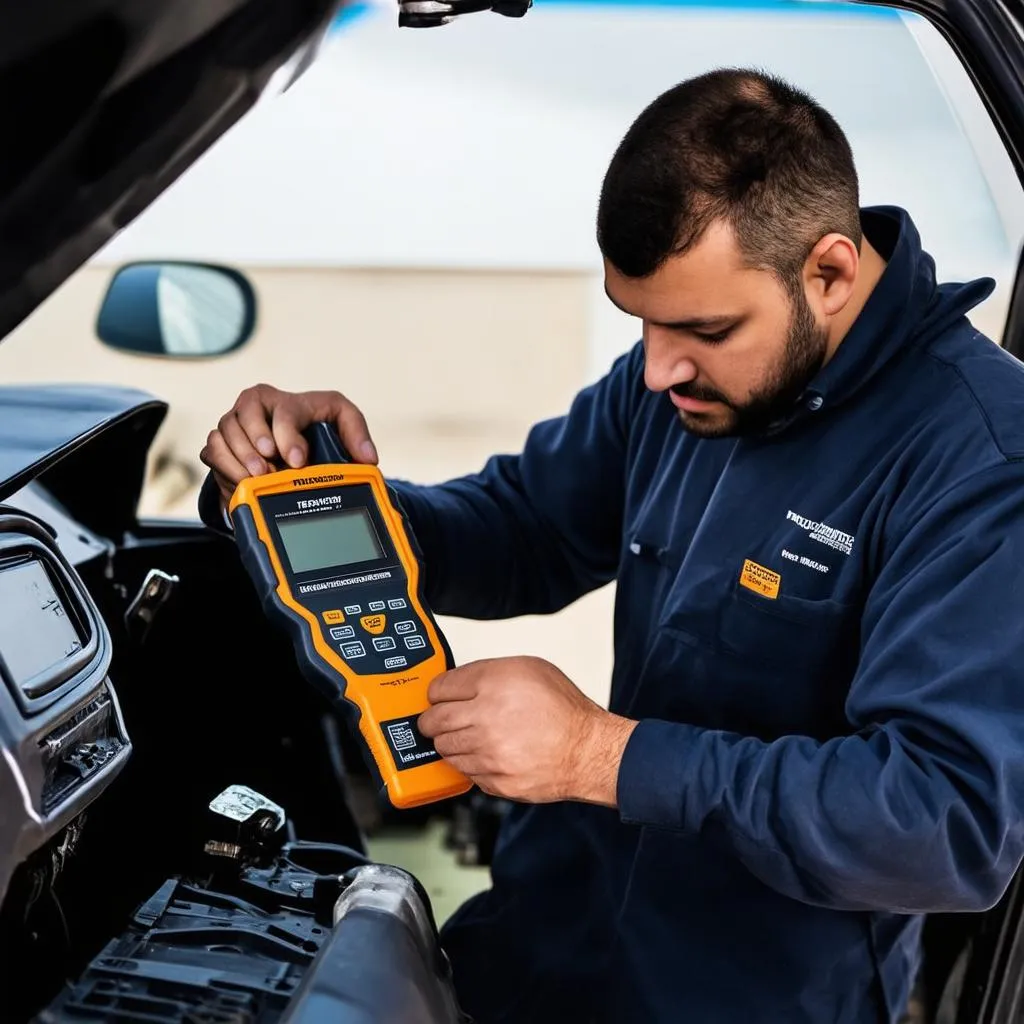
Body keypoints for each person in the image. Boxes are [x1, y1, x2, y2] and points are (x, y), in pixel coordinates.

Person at [197, 68, 1024, 1023]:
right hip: (534, 947)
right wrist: (311, 499)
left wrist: (600, 755)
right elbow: (525, 527)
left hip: (740, 999)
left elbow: (945, 822)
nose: (659, 365)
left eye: (702, 330)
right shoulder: (685, 380)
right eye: (643, 323)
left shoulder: (984, 461)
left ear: (829, 272)